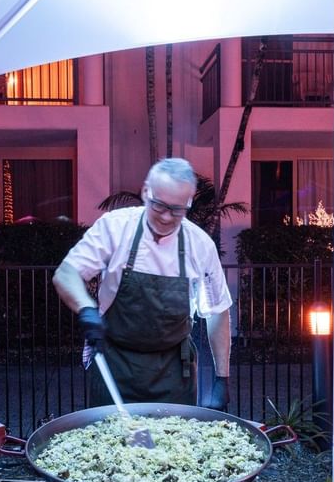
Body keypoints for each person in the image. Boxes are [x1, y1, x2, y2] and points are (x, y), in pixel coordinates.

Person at [53, 158, 233, 409]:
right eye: (159, 206)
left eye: (177, 209)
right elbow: (66, 273)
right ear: (146, 191)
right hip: (115, 366)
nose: (167, 217)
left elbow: (217, 311)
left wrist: (221, 378)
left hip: (174, 375)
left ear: (189, 203)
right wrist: (86, 309)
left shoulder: (200, 245)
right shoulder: (115, 227)